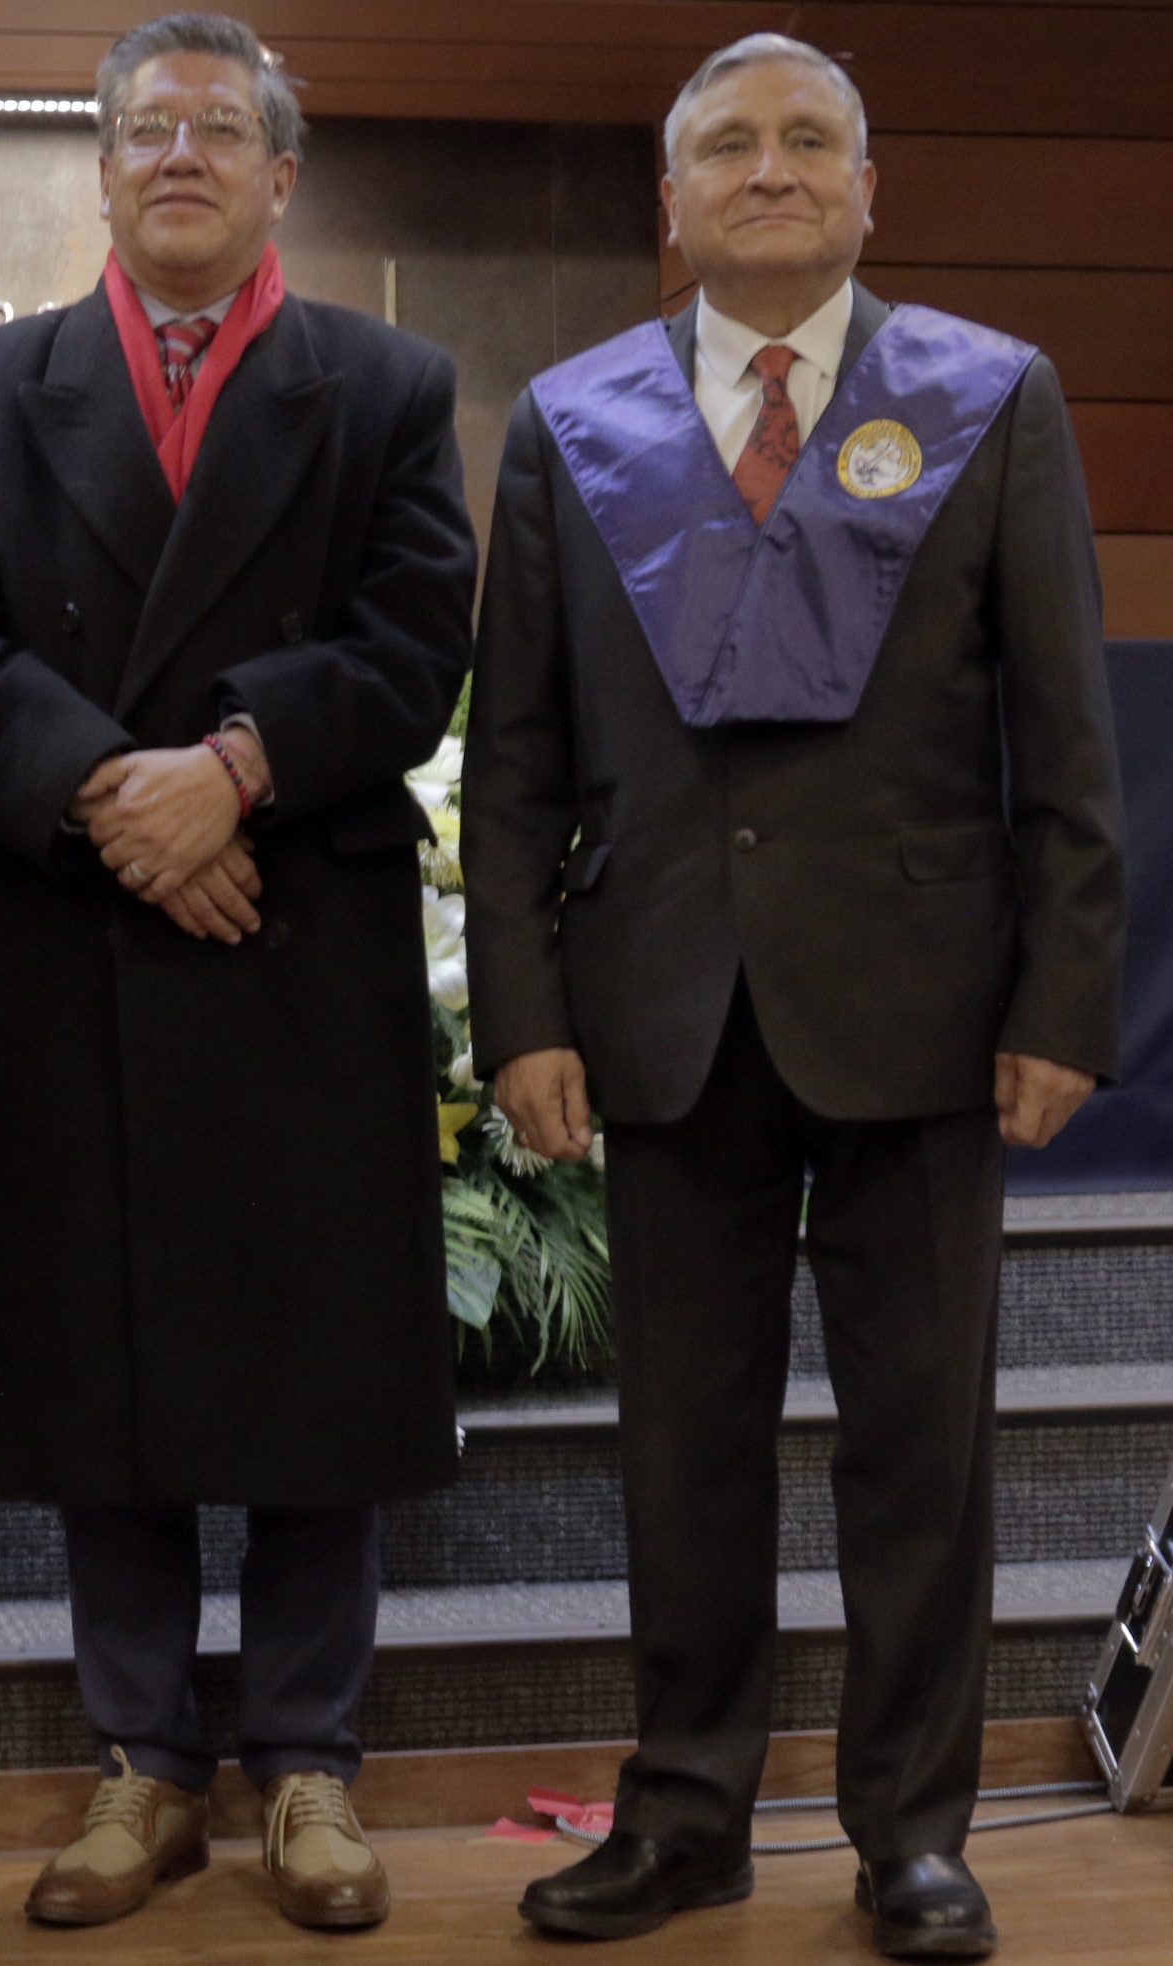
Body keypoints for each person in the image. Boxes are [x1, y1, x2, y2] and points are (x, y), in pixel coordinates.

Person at [464, 34, 1123, 1962]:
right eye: (731, 145)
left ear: (866, 187)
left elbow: (1066, 740)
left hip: (926, 1010)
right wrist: (523, 1008)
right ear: (671, 201)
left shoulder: (993, 396)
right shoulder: (571, 419)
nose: (772, 168)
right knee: (683, 1449)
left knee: (924, 1450)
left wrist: (1065, 998)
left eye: (809, 138)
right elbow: (515, 754)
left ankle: (914, 1833)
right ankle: (684, 1816)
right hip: (663, 1004)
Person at [0, 10, 477, 1936]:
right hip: (80, 930)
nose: (180, 156)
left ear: (281, 174)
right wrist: (114, 797)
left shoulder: (385, 384)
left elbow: (418, 639)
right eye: (147, 128)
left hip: (303, 936)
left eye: (220, 129)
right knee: (102, 1365)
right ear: (104, 170)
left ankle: (307, 1763)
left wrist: (231, 769)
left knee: (316, 1369)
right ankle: (142, 1761)